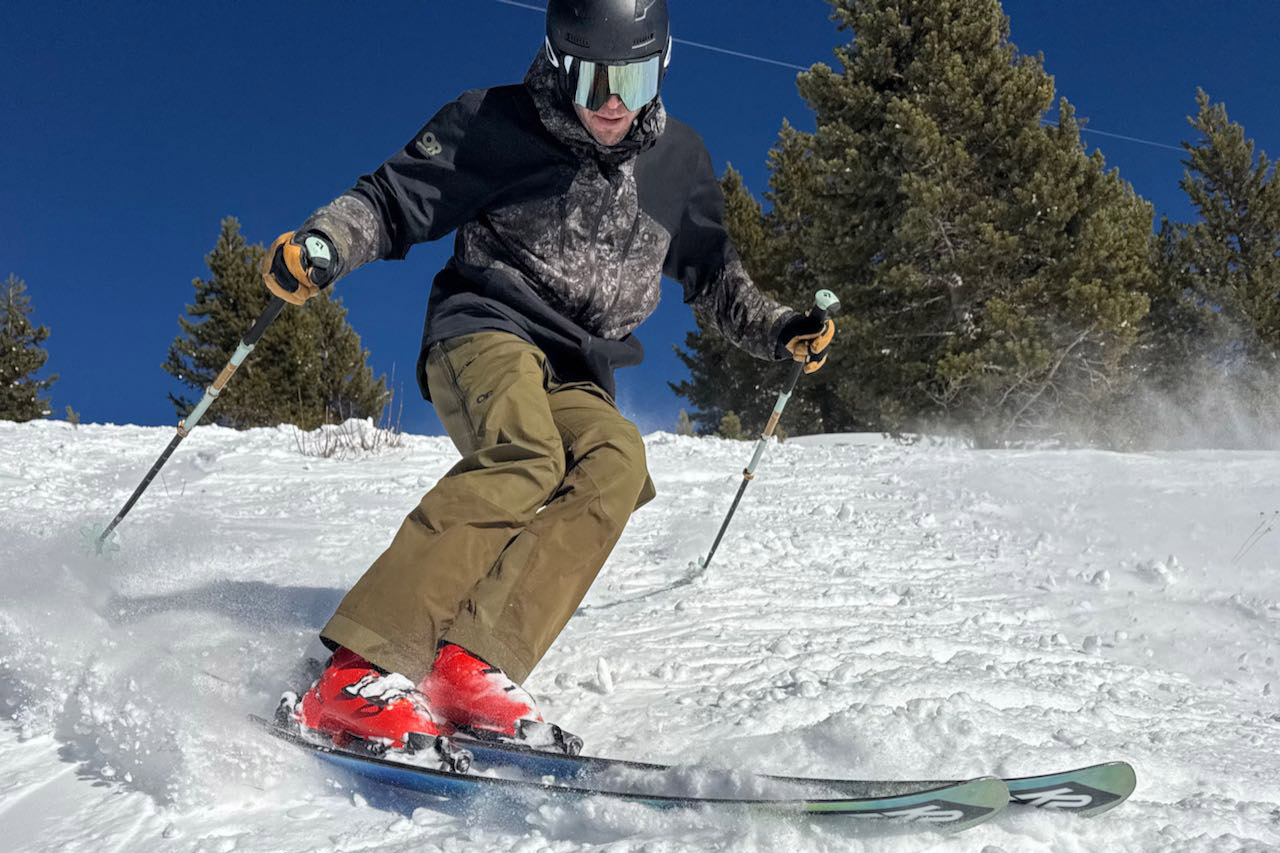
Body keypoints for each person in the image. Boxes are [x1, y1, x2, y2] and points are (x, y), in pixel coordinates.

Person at [264, 0, 835, 755]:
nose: (609, 102)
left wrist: (779, 327)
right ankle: (356, 669)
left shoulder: (680, 164)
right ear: (559, 61)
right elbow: (392, 200)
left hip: (580, 366)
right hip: (484, 327)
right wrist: (325, 242)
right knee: (526, 453)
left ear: (661, 68)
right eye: (591, 76)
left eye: (629, 80)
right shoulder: (494, 123)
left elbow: (714, 274)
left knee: (615, 462)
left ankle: (474, 657)